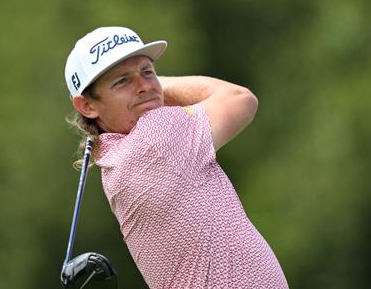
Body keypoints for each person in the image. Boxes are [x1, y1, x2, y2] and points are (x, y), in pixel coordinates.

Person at [64, 26, 288, 288]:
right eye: (121, 81)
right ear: (87, 106)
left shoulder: (112, 162)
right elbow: (240, 99)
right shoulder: (156, 135)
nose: (143, 85)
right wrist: (154, 86)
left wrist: (141, 87)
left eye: (148, 72)